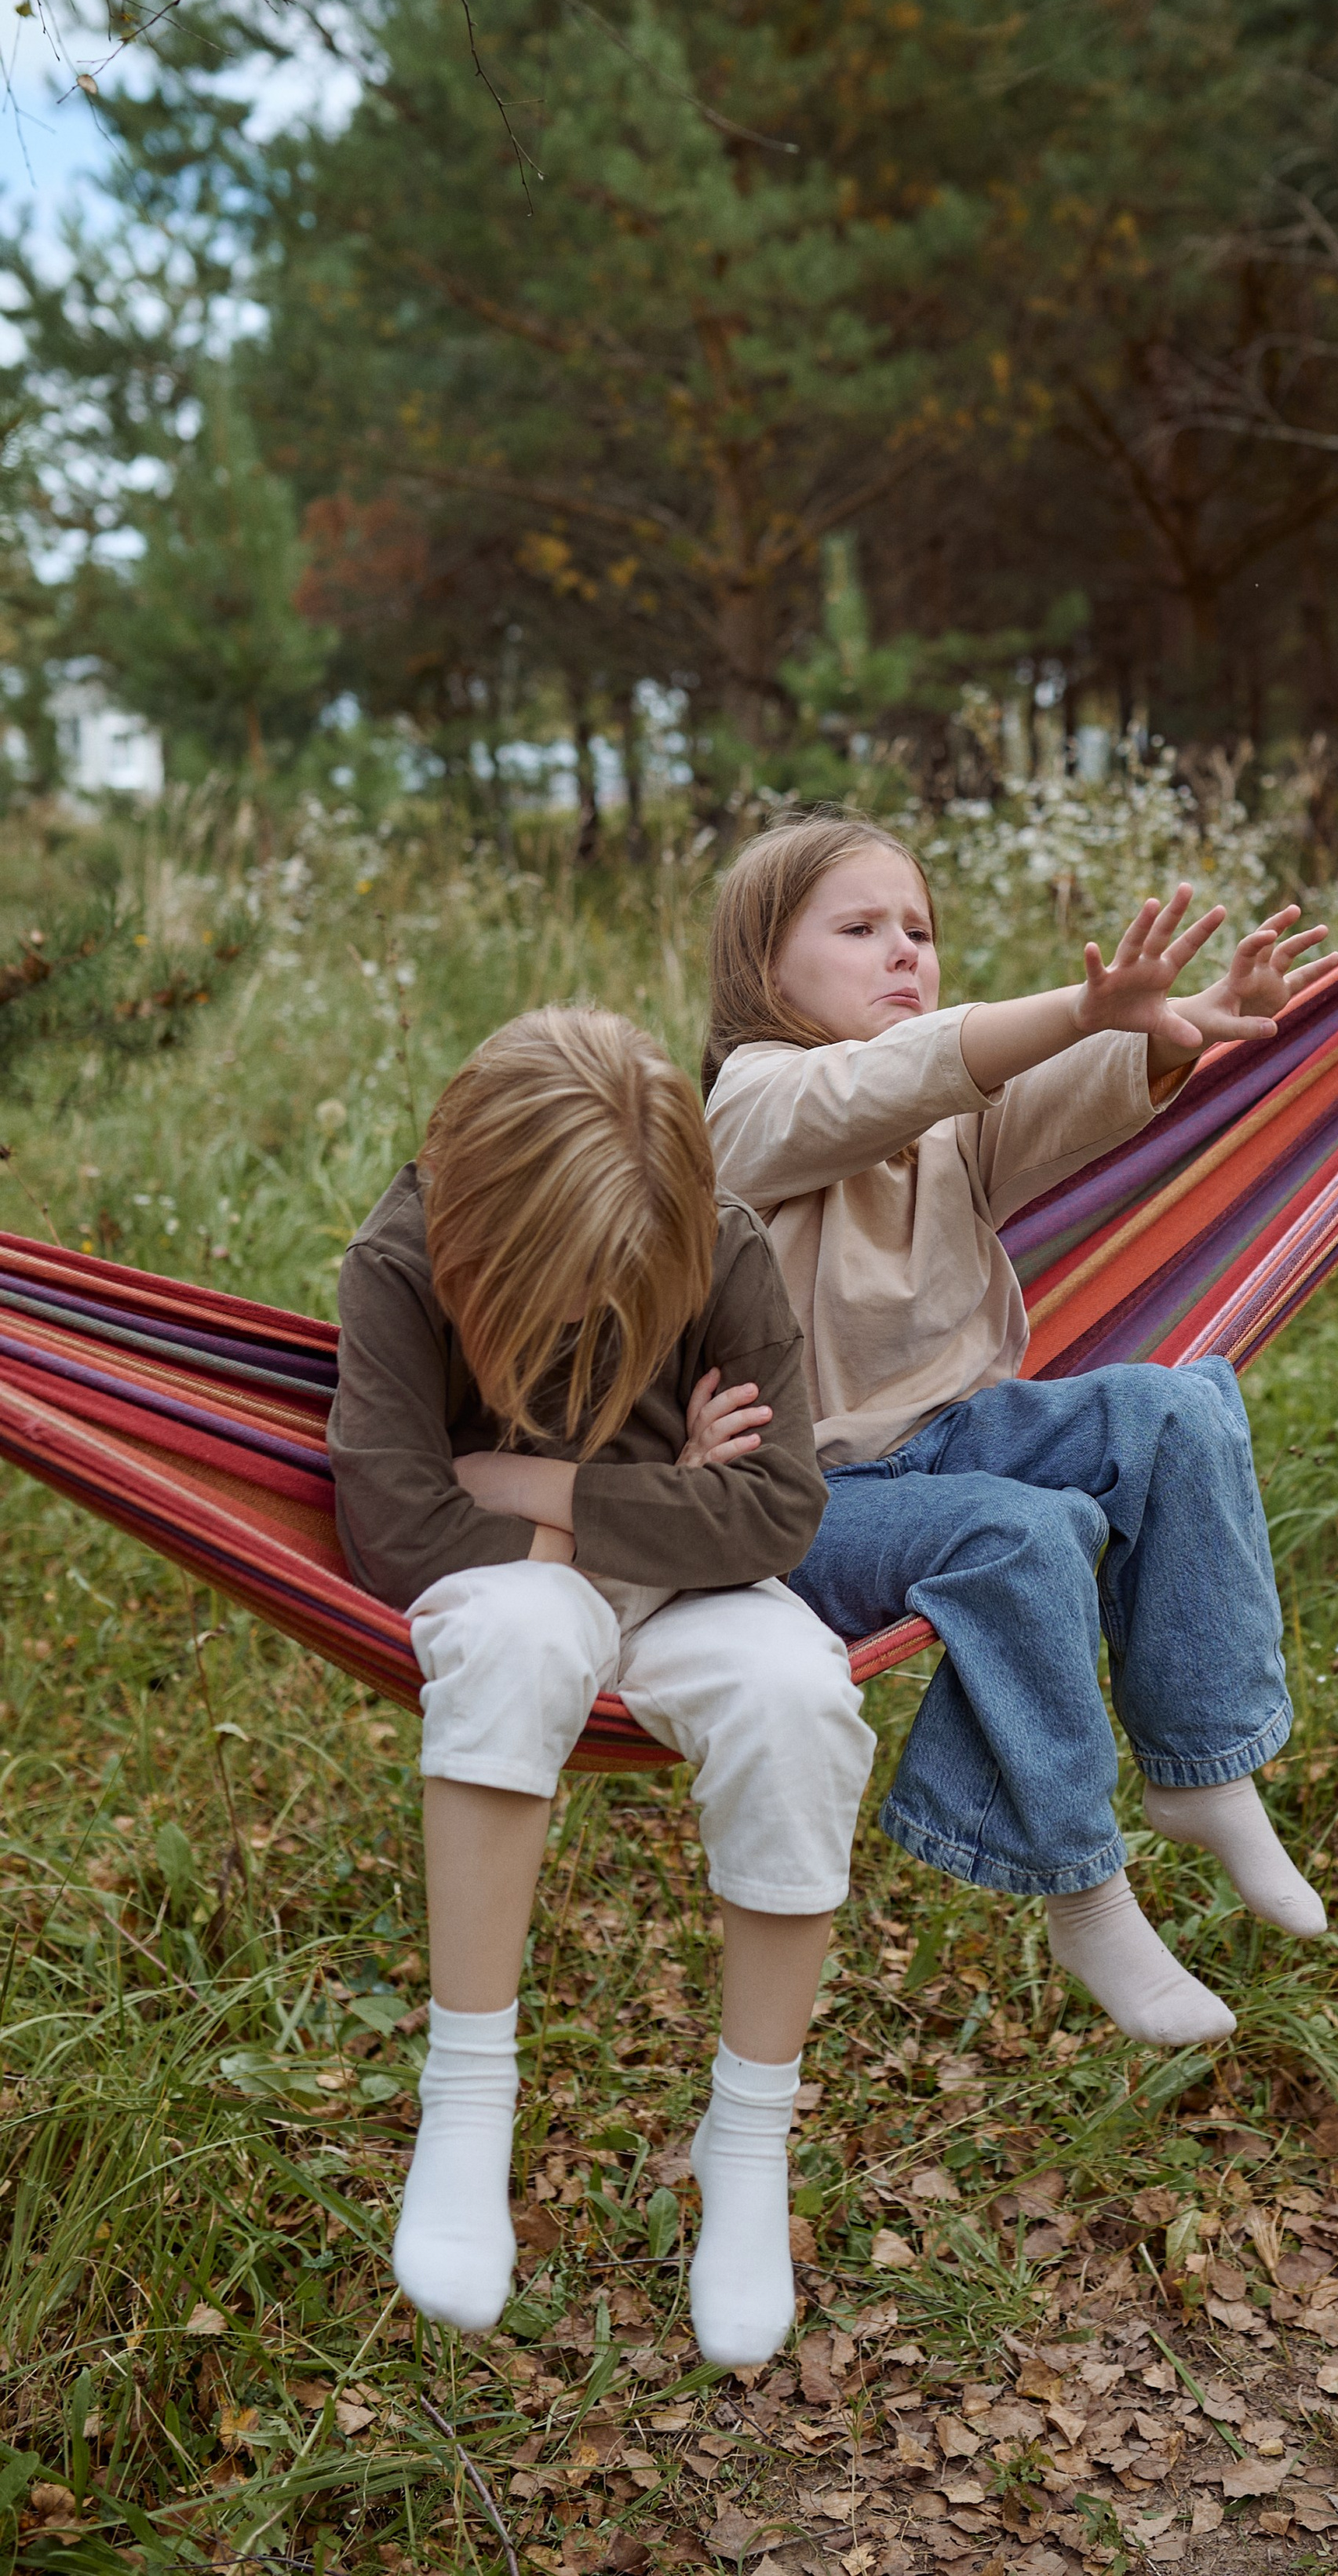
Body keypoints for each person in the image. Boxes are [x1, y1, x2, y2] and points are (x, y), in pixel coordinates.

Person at [702, 815, 1337, 2048]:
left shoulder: (945, 1117)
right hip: (801, 1505)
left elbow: (1056, 1099)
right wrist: (1079, 1004)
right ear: (763, 970)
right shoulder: (753, 1105)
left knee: (1178, 1402)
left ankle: (1205, 1768)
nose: (906, 953)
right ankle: (1084, 1893)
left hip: (953, 1437)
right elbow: (900, 1079)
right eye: (861, 929)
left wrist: (1188, 1022)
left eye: (921, 931)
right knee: (1024, 1534)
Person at [327, 1005, 874, 2363]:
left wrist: (538, 1483)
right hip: (522, 1590)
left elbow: (778, 1511)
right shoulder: (400, 1263)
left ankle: (747, 2139)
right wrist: (659, 1498)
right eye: (565, 1285)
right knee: (520, 1638)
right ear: (479, 1226)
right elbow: (396, 1526)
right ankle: (468, 2101)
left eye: (627, 1279)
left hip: (689, 1592)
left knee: (800, 1698)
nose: (596, 1312)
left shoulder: (714, 1238)